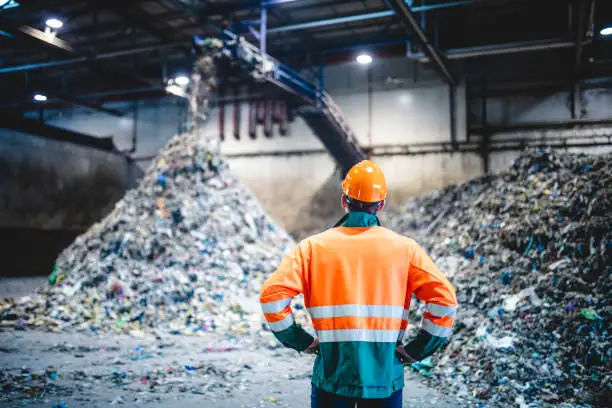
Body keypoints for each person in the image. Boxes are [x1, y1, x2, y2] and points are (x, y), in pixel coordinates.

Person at [260, 160, 457, 408]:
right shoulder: (405, 250)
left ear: (344, 201)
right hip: (384, 379)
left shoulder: (312, 249)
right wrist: (418, 349)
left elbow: (272, 297)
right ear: (381, 204)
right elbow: (445, 301)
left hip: (332, 377)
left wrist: (301, 340)